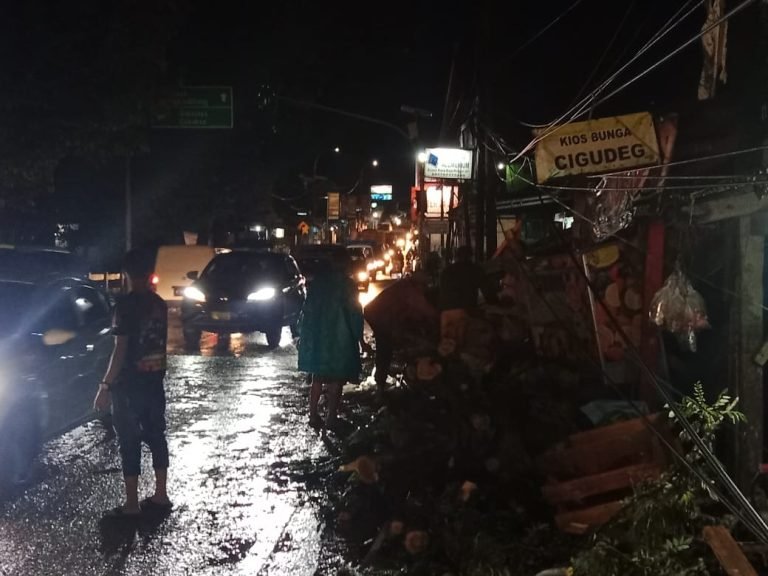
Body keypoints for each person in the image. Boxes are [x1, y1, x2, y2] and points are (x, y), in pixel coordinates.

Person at [93, 248, 171, 517]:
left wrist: (105, 386)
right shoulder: (160, 304)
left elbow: (120, 350)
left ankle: (132, 504)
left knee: (129, 440)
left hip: (128, 385)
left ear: (126, 274)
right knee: (156, 435)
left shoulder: (124, 307)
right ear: (149, 273)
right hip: (154, 380)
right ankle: (161, 494)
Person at [298, 250, 363, 429]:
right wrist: (359, 338)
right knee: (336, 379)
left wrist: (302, 333)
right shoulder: (348, 285)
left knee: (317, 378)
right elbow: (355, 312)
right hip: (340, 339)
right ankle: (331, 417)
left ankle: (313, 415)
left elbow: (306, 310)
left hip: (318, 338)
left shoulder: (318, 283)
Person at [364, 270, 439, 391]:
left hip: (380, 315)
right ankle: (380, 386)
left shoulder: (405, 285)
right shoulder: (410, 290)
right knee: (385, 349)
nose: (425, 288)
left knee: (387, 347)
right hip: (380, 318)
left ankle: (381, 383)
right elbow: (426, 309)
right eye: (424, 285)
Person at [438, 245, 489, 349]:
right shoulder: (475, 270)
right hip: (463, 311)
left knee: (447, 346)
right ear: (471, 256)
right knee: (463, 345)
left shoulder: (447, 271)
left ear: (456, 256)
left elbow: (442, 291)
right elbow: (488, 292)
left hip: (445, 313)